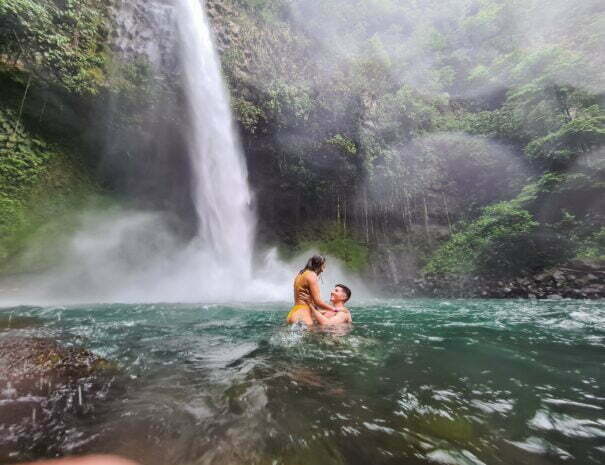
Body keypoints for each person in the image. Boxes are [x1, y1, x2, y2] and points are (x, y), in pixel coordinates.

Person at [287, 255, 336, 325]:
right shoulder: (312, 275)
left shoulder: (300, 274)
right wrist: (335, 309)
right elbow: (318, 302)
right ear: (320, 265)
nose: (323, 270)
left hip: (294, 312)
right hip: (303, 314)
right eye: (323, 267)